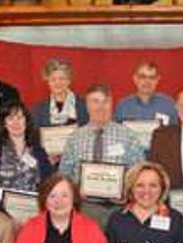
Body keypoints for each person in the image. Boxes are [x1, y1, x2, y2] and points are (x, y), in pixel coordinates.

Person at [59, 84, 146, 227]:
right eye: (95, 101)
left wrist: (127, 194)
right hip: (86, 208)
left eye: (105, 101)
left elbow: (139, 172)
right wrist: (75, 192)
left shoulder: (128, 136)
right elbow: (64, 175)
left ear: (112, 104)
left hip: (120, 209)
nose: (101, 106)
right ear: (87, 105)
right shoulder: (74, 137)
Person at [0, 101, 52, 212]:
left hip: (34, 216)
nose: (16, 122)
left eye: (19, 117)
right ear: (4, 124)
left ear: (26, 121)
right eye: (10, 118)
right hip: (2, 218)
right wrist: (5, 215)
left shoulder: (39, 153)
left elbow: (48, 186)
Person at [114, 61, 178, 126]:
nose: (147, 81)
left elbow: (176, 131)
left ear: (157, 80)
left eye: (152, 77)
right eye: (143, 77)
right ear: (135, 79)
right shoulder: (123, 106)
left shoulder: (168, 105)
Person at [31, 58, 89, 128]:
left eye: (62, 79)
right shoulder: (39, 109)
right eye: (53, 79)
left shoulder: (84, 106)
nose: (57, 83)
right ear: (48, 82)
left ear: (69, 81)